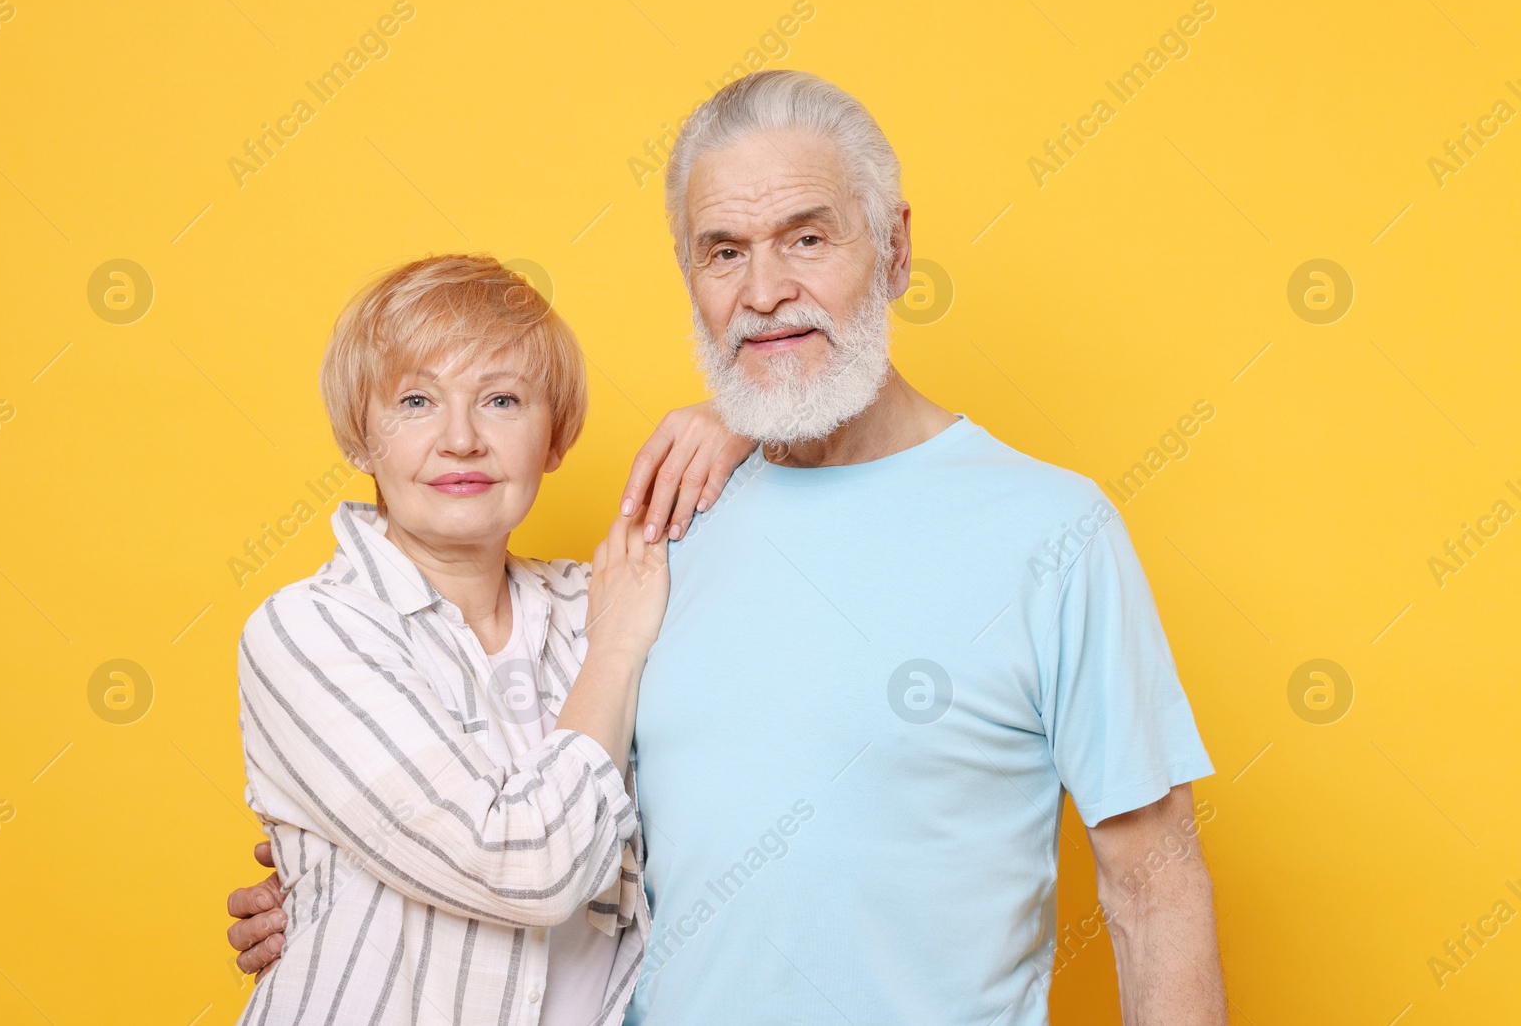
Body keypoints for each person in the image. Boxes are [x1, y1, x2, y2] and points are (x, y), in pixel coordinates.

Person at [232, 70, 1227, 1024]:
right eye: (723, 251)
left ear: (892, 248)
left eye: (806, 237)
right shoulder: (658, 535)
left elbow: (1154, 880)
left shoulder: (1050, 529)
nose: (764, 290)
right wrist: (342, 896)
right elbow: (527, 816)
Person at [228, 253, 752, 1026]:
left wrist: (738, 418)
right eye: (415, 400)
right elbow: (525, 865)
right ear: (361, 438)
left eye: (502, 399)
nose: (461, 439)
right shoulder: (308, 628)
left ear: (555, 438)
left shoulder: (603, 595)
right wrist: (613, 651)